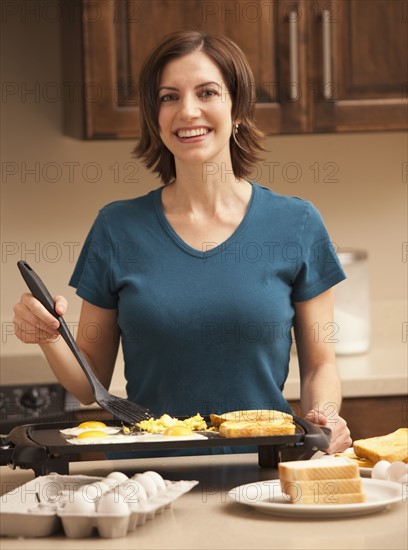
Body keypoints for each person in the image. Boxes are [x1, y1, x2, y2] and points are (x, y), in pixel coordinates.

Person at [13, 30, 351, 454]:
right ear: (155, 115)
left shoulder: (297, 223)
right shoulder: (116, 228)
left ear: (239, 108)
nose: (187, 111)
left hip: (265, 469)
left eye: (207, 92)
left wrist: (324, 414)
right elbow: (90, 385)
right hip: (150, 480)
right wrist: (47, 335)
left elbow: (321, 364)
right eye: (169, 97)